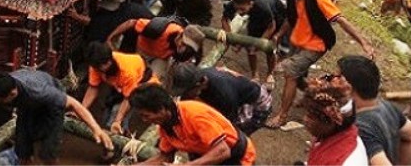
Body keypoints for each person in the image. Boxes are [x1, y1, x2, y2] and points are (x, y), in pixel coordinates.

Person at [266, 0, 374, 129]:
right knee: (299, 77)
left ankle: (282, 115)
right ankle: (317, 98)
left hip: (316, 44)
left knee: (290, 73)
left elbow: (341, 20)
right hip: (298, 40)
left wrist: (363, 42)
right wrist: (279, 34)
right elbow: (291, 17)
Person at [0, 69, 112, 164]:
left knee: (47, 153)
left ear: (12, 93)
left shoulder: (39, 92)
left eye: (0, 101)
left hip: (49, 107)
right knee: (21, 148)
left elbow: (73, 104)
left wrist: (97, 130)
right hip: (26, 107)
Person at [128, 83, 256, 165]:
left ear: (161, 108)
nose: (145, 120)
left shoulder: (194, 116)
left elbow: (223, 151)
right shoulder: (166, 125)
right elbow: (165, 157)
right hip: (208, 156)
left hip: (237, 158)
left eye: (146, 115)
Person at [337, 55, 411, 165]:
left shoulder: (361, 128)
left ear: (348, 88)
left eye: (337, 78)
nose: (331, 81)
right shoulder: (387, 106)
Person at [168, 63, 272, 134]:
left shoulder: (224, 94)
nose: (185, 94)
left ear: (199, 84)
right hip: (238, 95)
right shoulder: (201, 75)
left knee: (234, 135)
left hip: (256, 103)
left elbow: (229, 123)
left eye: (187, 91)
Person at [81, 41, 155, 135]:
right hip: (118, 84)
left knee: (116, 115)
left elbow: (128, 98)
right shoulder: (95, 66)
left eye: (106, 63)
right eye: (100, 66)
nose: (104, 67)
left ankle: (121, 136)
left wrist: (117, 121)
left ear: (110, 58)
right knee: (107, 112)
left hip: (140, 81)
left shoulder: (127, 71)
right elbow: (93, 88)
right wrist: (80, 110)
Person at [301, 75, 368, 166]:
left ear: (332, 121)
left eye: (311, 117)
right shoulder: (330, 133)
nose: (305, 119)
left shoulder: (345, 161)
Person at [221, 0, 284, 82]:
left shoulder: (263, 8)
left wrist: (259, 43)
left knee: (270, 48)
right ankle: (255, 74)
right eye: (237, 9)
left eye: (242, 9)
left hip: (276, 14)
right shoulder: (233, 4)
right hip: (254, 16)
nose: (239, 12)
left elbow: (271, 26)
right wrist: (230, 36)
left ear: (250, 4)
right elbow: (224, 19)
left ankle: (270, 73)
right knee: (250, 48)